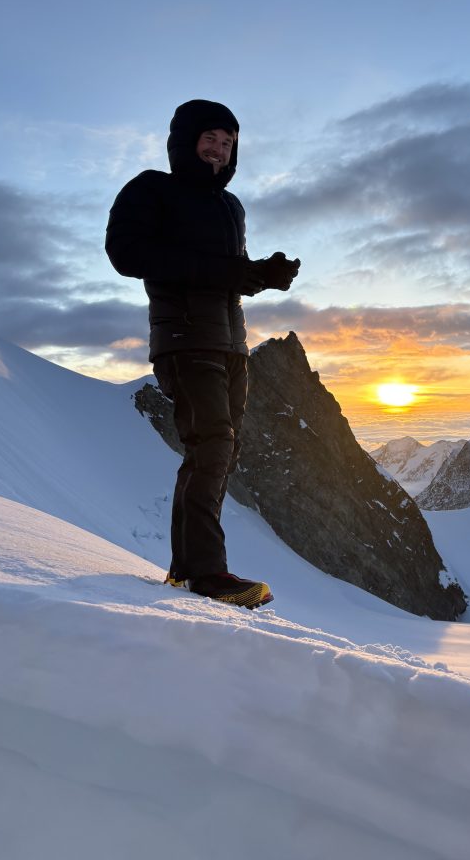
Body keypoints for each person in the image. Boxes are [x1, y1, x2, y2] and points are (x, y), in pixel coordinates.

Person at [106, 99, 299, 608]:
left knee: (218, 450)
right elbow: (126, 253)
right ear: (186, 141)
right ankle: (209, 575)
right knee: (212, 443)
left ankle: (185, 568)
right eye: (209, 138)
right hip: (184, 340)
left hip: (230, 343)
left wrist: (262, 275)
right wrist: (226, 273)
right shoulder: (153, 189)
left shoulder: (230, 206)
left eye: (228, 142)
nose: (218, 149)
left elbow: (225, 276)